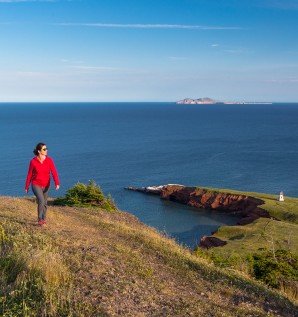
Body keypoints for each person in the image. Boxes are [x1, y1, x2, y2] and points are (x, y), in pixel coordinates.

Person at [25, 143, 60, 226]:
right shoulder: (33, 161)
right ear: (39, 151)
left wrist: (57, 183)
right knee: (41, 200)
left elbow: (54, 172)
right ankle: (40, 220)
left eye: (46, 148)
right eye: (44, 149)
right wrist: (26, 186)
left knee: (44, 202)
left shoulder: (49, 160)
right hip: (36, 184)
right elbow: (29, 174)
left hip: (47, 185)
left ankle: (44, 219)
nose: (46, 150)